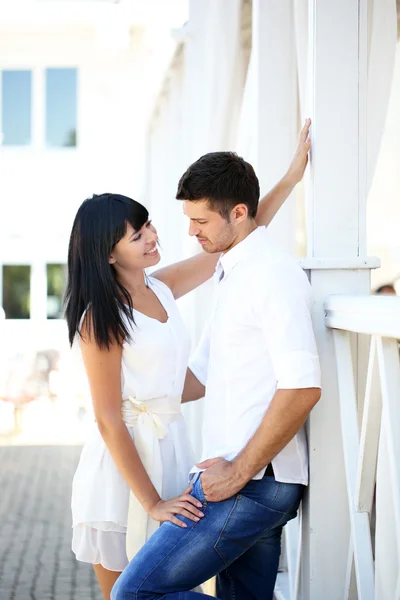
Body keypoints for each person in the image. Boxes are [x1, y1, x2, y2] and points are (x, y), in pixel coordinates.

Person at [67, 121, 312, 600]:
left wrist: (287, 182)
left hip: (174, 448)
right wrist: (153, 501)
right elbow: (107, 418)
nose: (154, 236)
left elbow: (237, 233)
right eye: (138, 235)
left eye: (147, 225)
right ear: (108, 253)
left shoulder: (162, 285)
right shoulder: (102, 316)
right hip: (126, 462)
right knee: (125, 593)